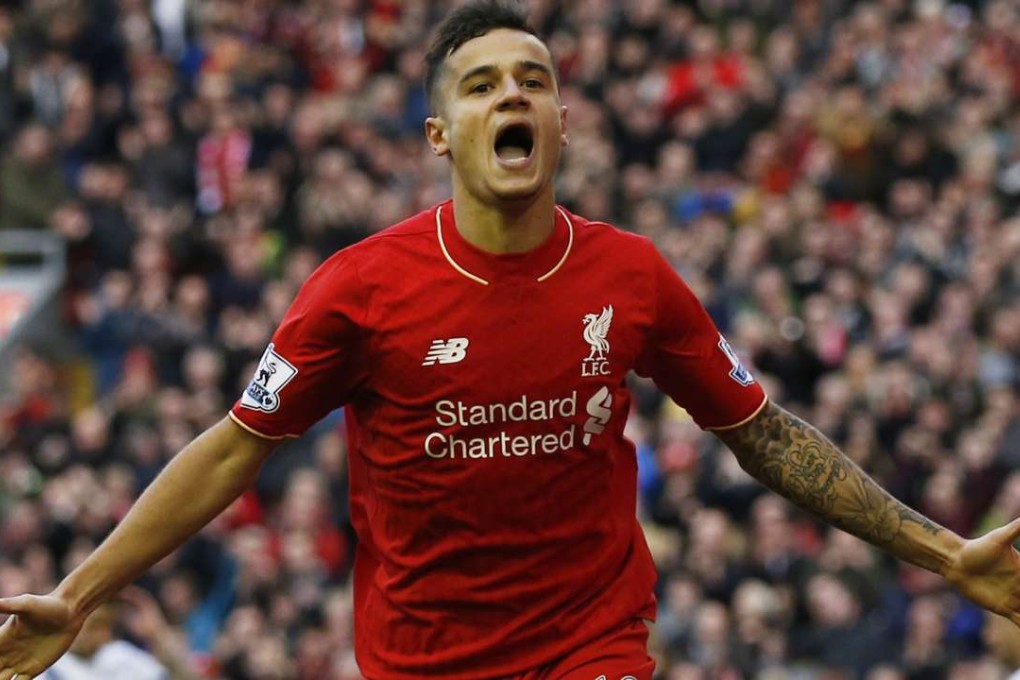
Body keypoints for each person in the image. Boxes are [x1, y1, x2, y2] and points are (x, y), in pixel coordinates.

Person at [2, 2, 1020, 678]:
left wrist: (947, 550)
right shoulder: (359, 288)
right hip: (420, 657)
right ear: (441, 135)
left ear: (564, 123)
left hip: (593, 642)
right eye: (482, 85)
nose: (513, 96)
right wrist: (81, 594)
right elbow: (231, 446)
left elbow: (765, 433)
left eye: (532, 79)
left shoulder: (632, 275)